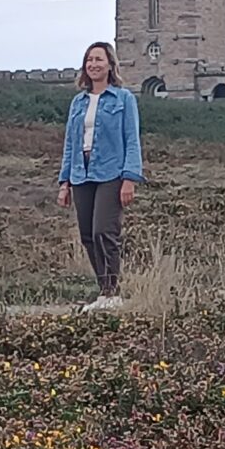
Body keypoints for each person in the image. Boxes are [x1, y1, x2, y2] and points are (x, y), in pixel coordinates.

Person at [56, 42, 143, 310]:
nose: (93, 64)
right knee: (87, 235)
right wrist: (64, 182)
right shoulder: (78, 102)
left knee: (104, 230)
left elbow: (132, 139)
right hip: (81, 173)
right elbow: (70, 142)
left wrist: (130, 178)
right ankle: (103, 290)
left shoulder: (123, 98)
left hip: (111, 172)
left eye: (98, 59)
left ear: (109, 65)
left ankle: (112, 291)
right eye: (89, 60)